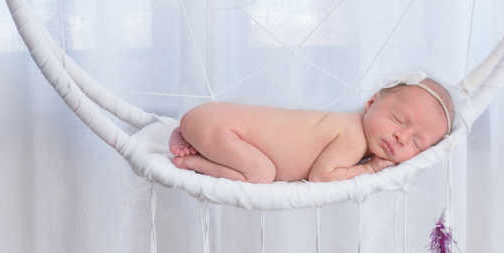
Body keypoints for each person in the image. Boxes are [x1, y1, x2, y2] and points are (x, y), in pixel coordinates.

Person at [167, 76, 454, 184]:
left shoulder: (345, 126)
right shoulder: (352, 136)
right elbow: (321, 176)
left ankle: (188, 134)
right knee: (261, 173)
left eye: (416, 143)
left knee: (256, 162)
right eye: (398, 119)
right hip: (222, 127)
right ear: (371, 102)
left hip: (212, 118)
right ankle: (193, 160)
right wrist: (369, 170)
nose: (401, 138)